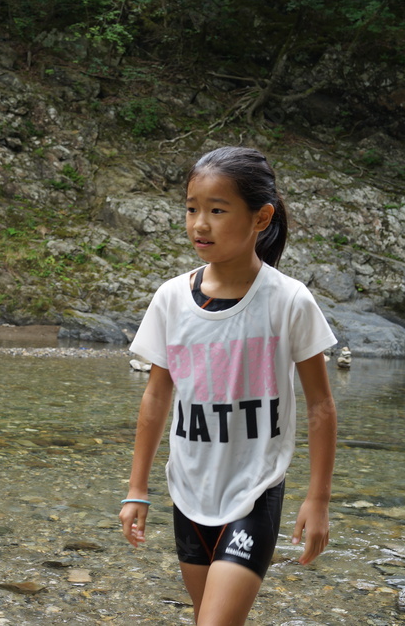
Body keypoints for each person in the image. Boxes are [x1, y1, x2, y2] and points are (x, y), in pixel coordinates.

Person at [119, 146, 337, 625]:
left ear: (261, 217)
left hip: (253, 493)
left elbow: (322, 405)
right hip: (189, 491)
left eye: (217, 211)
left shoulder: (288, 301)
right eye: (192, 208)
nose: (200, 224)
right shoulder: (172, 299)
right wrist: (138, 489)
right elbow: (157, 396)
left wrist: (317, 499)